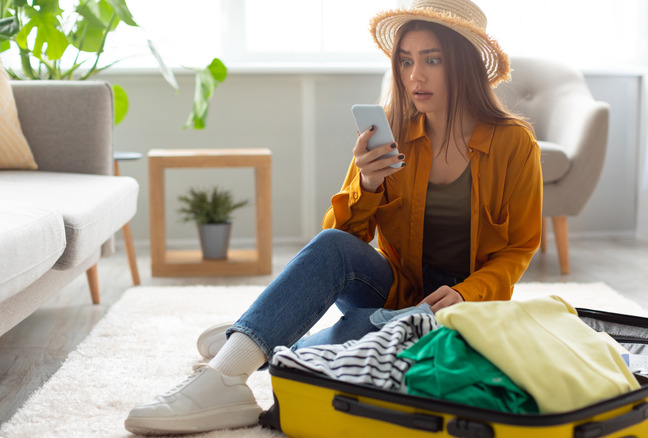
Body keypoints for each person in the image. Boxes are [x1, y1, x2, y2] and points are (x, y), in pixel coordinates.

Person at [125, 0, 542, 434]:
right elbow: (338, 244)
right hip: (394, 291)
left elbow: (519, 249)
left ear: (464, 64)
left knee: (354, 338)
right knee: (338, 260)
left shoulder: (514, 143)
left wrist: (468, 293)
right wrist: (369, 184)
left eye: (432, 60)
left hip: (460, 313)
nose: (415, 76)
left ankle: (255, 338)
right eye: (405, 61)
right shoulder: (392, 131)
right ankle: (222, 381)